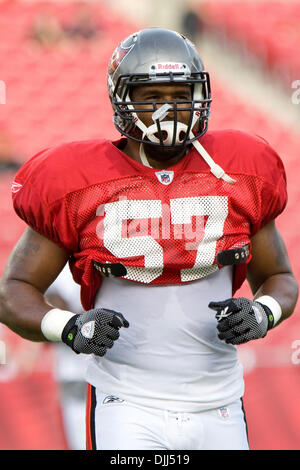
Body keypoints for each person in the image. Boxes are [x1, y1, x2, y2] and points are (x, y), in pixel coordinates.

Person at [0, 28, 298, 451]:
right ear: (122, 100)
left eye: (180, 93)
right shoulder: (76, 181)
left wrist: (263, 312)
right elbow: (13, 291)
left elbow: (281, 278)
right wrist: (68, 327)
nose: (169, 108)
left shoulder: (240, 170)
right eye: (151, 95)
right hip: (126, 402)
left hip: (220, 403)